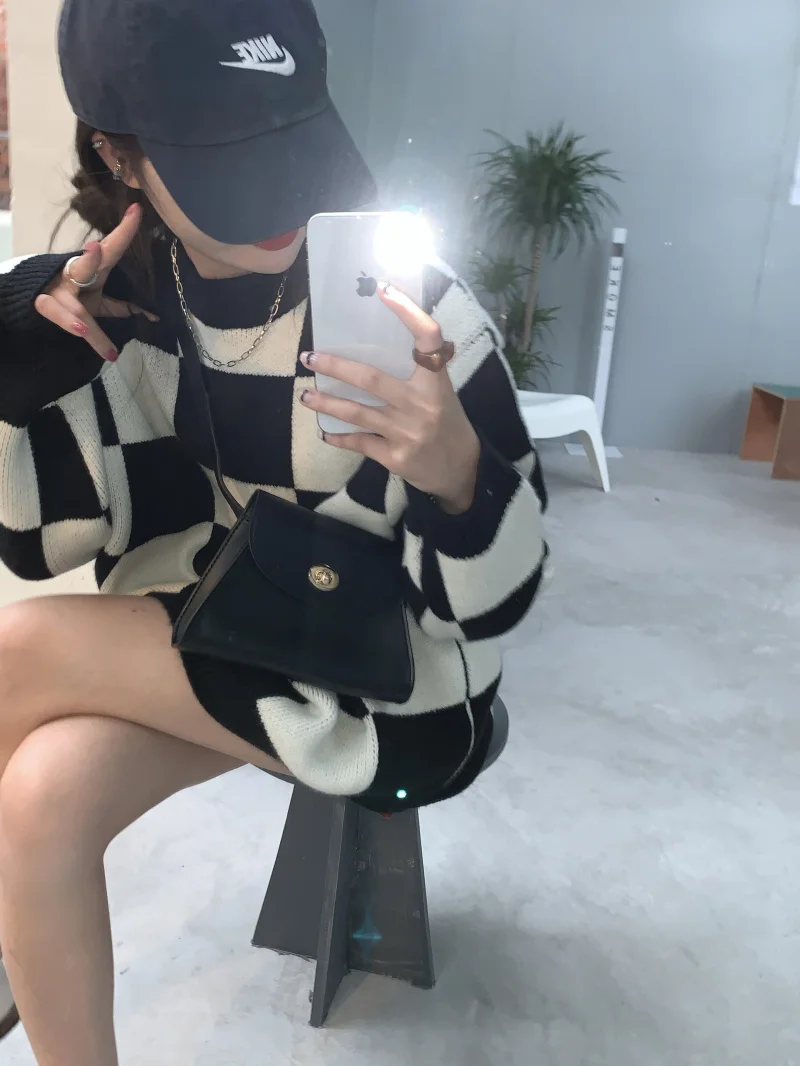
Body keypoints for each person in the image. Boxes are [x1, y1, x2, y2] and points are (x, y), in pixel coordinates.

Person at [0, 0, 549, 1060]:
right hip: (234, 638)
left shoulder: (415, 310)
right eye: (223, 157)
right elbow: (41, 543)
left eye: (290, 138)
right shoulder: (115, 303)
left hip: (402, 694)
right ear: (119, 155)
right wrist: (17, 376)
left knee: (15, 647)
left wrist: (457, 479)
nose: (281, 199)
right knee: (39, 794)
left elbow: (496, 611)